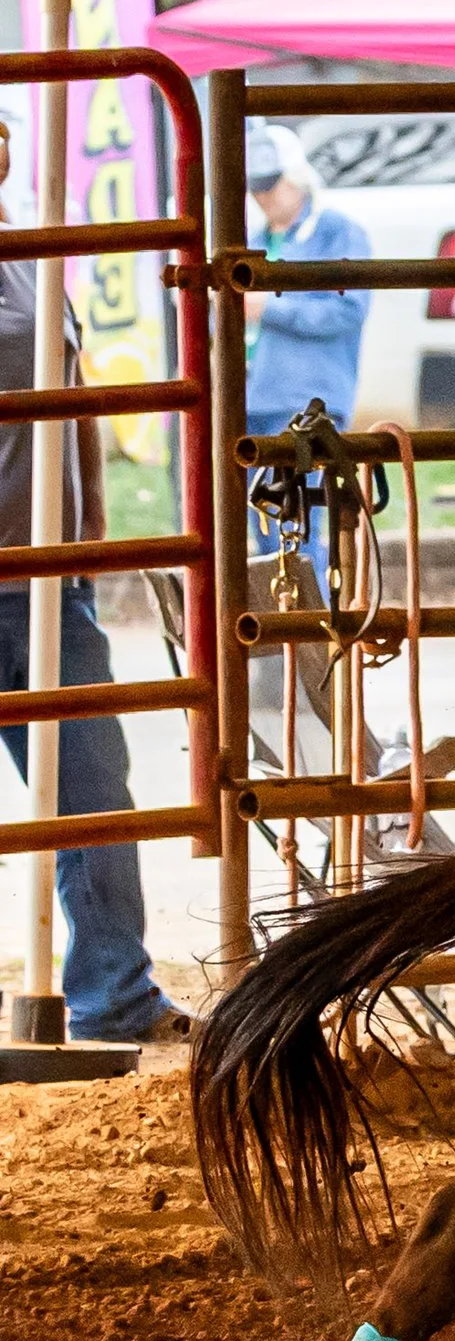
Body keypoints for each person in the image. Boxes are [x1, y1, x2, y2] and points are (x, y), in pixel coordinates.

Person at [0, 244, 187, 1043]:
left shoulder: (33, 261)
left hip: (51, 583)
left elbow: (74, 396)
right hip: (26, 575)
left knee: (95, 792)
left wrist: (91, 525)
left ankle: (116, 997)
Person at [241, 123, 371, 586]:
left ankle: (307, 639)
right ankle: (284, 637)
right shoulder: (257, 237)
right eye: (254, 187)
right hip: (256, 397)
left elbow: (346, 311)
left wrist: (270, 307)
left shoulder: (338, 233)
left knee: (298, 524)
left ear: (297, 177)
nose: (261, 196)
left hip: (306, 402)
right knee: (263, 529)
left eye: (269, 184)